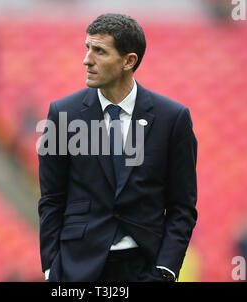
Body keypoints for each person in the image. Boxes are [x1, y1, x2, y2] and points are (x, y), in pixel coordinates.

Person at [38, 13, 198, 282]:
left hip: (144, 267)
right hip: (76, 270)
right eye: (87, 48)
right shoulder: (63, 114)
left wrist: (166, 269)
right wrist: (51, 267)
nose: (87, 59)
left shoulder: (173, 119)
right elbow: (51, 199)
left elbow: (182, 206)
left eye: (99, 51)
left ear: (128, 61)